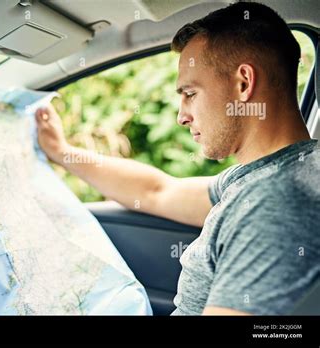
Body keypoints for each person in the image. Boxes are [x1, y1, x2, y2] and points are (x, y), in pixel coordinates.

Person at [34, 2, 320, 315]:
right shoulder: (263, 177)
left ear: (243, 83)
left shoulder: (276, 203)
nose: (181, 116)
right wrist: (61, 152)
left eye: (190, 93)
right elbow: (156, 192)